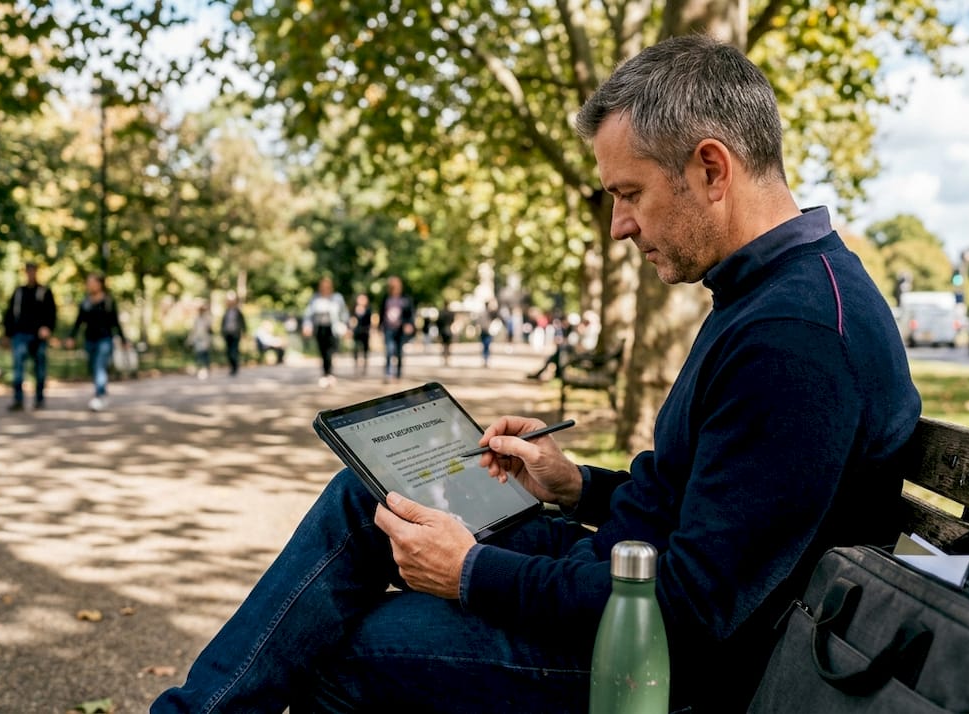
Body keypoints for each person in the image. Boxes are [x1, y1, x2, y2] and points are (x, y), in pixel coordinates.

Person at [152, 35, 921, 713]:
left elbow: (693, 610)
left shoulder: (795, 338)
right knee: (371, 492)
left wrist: (472, 572)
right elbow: (717, 504)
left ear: (711, 168)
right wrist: (572, 485)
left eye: (628, 194)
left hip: (660, 666)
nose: (619, 224)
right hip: (621, 579)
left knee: (346, 648)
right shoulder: (770, 295)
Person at [66, 273, 128, 411]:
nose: (89, 285)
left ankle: (99, 396)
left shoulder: (108, 301)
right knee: (94, 368)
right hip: (90, 339)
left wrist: (123, 339)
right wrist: (71, 337)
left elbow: (115, 322)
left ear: (100, 284)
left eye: (92, 282)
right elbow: (78, 321)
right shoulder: (85, 302)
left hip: (105, 339)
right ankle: (102, 393)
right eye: (88, 282)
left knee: (100, 366)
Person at [3, 261, 57, 411]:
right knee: (18, 368)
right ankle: (18, 400)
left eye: (33, 271)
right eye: (28, 271)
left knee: (40, 368)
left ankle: (39, 399)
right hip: (20, 335)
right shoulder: (19, 292)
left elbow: (52, 313)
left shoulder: (44, 291)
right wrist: (7, 334)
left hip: (39, 337)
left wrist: (47, 328)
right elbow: (10, 313)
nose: (30, 273)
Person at [302, 277, 349, 387]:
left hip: (333, 329)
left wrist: (346, 326)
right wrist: (307, 326)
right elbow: (308, 314)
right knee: (323, 352)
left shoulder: (337, 298)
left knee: (331, 352)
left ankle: (330, 374)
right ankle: (325, 374)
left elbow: (344, 313)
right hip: (320, 328)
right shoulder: (315, 298)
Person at [378, 275, 415, 382]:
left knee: (399, 351)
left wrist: (409, 324)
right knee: (389, 350)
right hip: (388, 328)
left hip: (400, 329)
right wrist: (380, 326)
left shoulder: (405, 298)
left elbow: (410, 313)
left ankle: (398, 373)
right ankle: (388, 373)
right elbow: (382, 312)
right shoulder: (386, 298)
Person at [348, 292, 374, 376]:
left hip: (365, 332)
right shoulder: (354, 309)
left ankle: (364, 367)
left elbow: (370, 322)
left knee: (365, 350)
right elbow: (352, 320)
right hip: (356, 332)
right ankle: (356, 366)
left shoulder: (368, 309)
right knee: (355, 349)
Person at [221, 292, 246, 376]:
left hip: (235, 334)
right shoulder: (226, 311)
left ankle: (235, 368)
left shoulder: (237, 311)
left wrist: (244, 332)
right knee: (228, 351)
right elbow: (223, 323)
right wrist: (222, 332)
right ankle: (232, 367)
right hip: (228, 334)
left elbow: (243, 322)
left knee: (234, 351)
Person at [188, 301, 214, 380]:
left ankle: (207, 368)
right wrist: (190, 340)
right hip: (198, 339)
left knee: (205, 355)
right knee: (198, 355)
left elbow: (210, 329)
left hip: (205, 338)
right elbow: (194, 330)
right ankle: (198, 368)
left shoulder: (207, 318)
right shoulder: (196, 318)